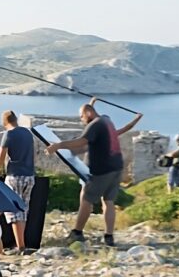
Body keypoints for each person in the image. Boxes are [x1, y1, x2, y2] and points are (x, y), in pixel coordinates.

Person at [45, 100, 143, 247]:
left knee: (86, 199)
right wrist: (136, 119)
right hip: (116, 167)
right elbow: (123, 129)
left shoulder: (95, 125)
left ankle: (77, 232)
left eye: (81, 116)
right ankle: (109, 236)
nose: (81, 120)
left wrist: (59, 145)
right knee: (108, 201)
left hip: (101, 171)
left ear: (88, 113)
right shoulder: (107, 121)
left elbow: (82, 141)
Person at [0, 110, 35, 253]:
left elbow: (0, 156)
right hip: (29, 175)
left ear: (5, 122)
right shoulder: (28, 133)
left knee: (12, 211)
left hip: (15, 175)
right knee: (22, 210)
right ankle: (20, 243)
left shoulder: (9, 134)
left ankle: (19, 246)